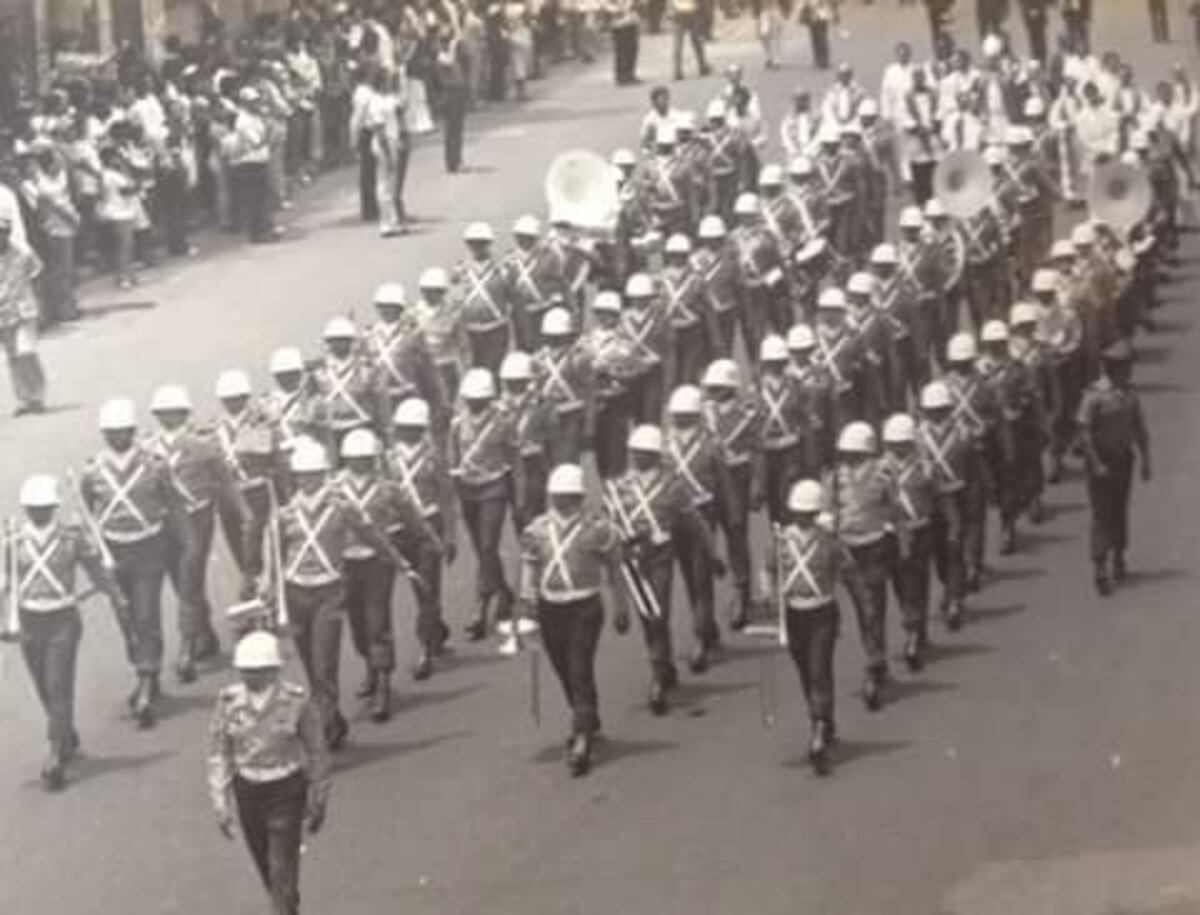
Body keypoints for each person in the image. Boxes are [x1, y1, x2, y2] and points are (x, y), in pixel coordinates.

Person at [269, 438, 406, 749]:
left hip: (328, 593)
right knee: (309, 666)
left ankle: (324, 726)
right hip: (295, 593)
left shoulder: (342, 508)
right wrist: (268, 593)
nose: (307, 480)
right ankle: (334, 720)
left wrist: (399, 561)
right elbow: (274, 561)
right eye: (302, 475)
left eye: (314, 474)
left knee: (324, 665)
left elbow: (372, 535)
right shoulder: (285, 515)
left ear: (324, 474)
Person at [4, 474, 128, 790]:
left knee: (58, 684)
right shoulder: (12, 541)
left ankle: (55, 752)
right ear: (25, 509)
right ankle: (66, 734)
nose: (39, 513)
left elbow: (95, 570)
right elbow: (5, 584)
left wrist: (115, 595)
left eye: (45, 507)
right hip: (30, 620)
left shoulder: (71, 537)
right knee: (44, 686)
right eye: (34, 508)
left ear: (54, 508)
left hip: (63, 619)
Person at [80, 398, 188, 728]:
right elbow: (88, 511)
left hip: (150, 548)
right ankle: (146, 669)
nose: (117, 438)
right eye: (111, 433)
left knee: (146, 614)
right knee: (125, 619)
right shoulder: (92, 471)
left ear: (133, 431)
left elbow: (174, 505)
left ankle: (145, 680)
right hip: (114, 552)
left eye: (123, 432)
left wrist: (184, 546)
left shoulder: (154, 464)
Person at [516, 463, 629, 776]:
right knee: (563, 670)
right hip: (550, 609)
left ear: (579, 497)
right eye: (558, 495)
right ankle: (587, 715)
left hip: (585, 607)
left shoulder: (599, 528)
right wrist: (526, 606)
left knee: (579, 666)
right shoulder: (536, 530)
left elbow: (615, 571)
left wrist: (622, 607)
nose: (562, 501)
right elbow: (528, 570)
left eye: (568, 496)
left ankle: (581, 736)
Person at [207, 631, 331, 915]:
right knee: (265, 863)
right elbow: (219, 752)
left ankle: (283, 908)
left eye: (259, 671)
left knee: (281, 864)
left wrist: (319, 796)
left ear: (274, 670)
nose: (251, 677)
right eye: (246, 671)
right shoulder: (229, 702)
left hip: (285, 789)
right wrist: (220, 800)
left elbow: (317, 751)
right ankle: (287, 905)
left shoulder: (294, 700)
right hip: (247, 790)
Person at [609, 425, 720, 715]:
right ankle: (664, 665)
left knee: (658, 613)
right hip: (632, 559)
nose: (637, 457)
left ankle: (658, 677)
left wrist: (711, 552)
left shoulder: (673, 485)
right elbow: (610, 530)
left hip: (659, 556)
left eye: (644, 453)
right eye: (634, 452)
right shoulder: (619, 487)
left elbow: (694, 522)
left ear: (656, 455)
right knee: (648, 618)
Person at [145, 384, 250, 683]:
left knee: (190, 576)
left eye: (174, 412)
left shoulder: (203, 444)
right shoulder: (148, 447)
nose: (169, 417)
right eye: (163, 413)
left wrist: (244, 515)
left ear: (185, 412)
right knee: (180, 581)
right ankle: (205, 633)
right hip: (165, 523)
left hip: (197, 518)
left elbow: (225, 483)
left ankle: (187, 645)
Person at [336, 428, 438, 722]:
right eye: (355, 459)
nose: (360, 464)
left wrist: (433, 540)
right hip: (346, 563)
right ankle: (370, 666)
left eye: (365, 459)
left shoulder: (388, 489)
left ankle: (383, 684)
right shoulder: (334, 489)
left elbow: (413, 519)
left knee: (377, 622)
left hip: (379, 561)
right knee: (356, 626)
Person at [764, 479, 841, 775]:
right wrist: (769, 596)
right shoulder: (781, 540)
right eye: (798, 512)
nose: (802, 518)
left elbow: (848, 572)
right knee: (806, 670)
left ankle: (820, 725)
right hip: (793, 615)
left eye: (807, 513)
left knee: (820, 669)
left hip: (822, 612)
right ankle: (821, 719)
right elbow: (767, 569)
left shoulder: (830, 541)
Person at [825, 421, 898, 712]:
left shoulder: (882, 475)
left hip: (876, 545)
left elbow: (895, 508)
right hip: (848, 550)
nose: (851, 459)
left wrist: (898, 538)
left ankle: (874, 658)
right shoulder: (834, 479)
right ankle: (875, 654)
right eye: (847, 454)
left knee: (873, 603)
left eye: (857, 454)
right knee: (863, 605)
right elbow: (829, 513)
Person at [389, 398, 457, 680]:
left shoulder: (434, 456)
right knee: (418, 586)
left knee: (428, 585)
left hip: (429, 523)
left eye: (414, 428)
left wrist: (451, 535)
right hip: (400, 529)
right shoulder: (387, 459)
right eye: (404, 428)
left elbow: (447, 497)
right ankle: (436, 629)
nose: (409, 433)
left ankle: (424, 648)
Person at [1076, 341, 1151, 596]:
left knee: (1119, 509)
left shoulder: (1130, 395)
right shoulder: (1095, 396)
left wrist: (1146, 460)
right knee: (1101, 513)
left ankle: (1118, 553)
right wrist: (1096, 463)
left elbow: (1139, 428)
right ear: (1113, 369)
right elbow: (1084, 433)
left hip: (1123, 460)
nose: (1129, 371)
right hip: (1101, 461)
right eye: (1125, 367)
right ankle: (1100, 565)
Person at [449, 367, 519, 639]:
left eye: (479, 399)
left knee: (489, 544)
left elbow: (514, 457)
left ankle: (481, 606)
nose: (474, 403)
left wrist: (520, 493)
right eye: (470, 399)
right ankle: (503, 591)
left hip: (495, 486)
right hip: (468, 490)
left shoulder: (503, 420)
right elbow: (452, 458)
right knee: (482, 549)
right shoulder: (457, 424)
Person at [0, 213, 47, 415]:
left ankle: (37, 395)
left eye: (3, 232)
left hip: (24, 309)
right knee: (13, 358)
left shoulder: (23, 252)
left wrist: (42, 306)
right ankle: (24, 399)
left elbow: (37, 275)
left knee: (26, 351)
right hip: (2, 313)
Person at [669, 0, 710, 81]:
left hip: (678, 10)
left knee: (678, 43)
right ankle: (702, 66)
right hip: (692, 10)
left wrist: (670, 9)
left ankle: (677, 71)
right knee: (696, 41)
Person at [609, 0, 642, 86]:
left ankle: (630, 74)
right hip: (619, 24)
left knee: (632, 50)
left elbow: (636, 6)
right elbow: (608, 6)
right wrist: (619, 9)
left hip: (631, 23)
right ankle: (621, 76)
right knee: (622, 51)